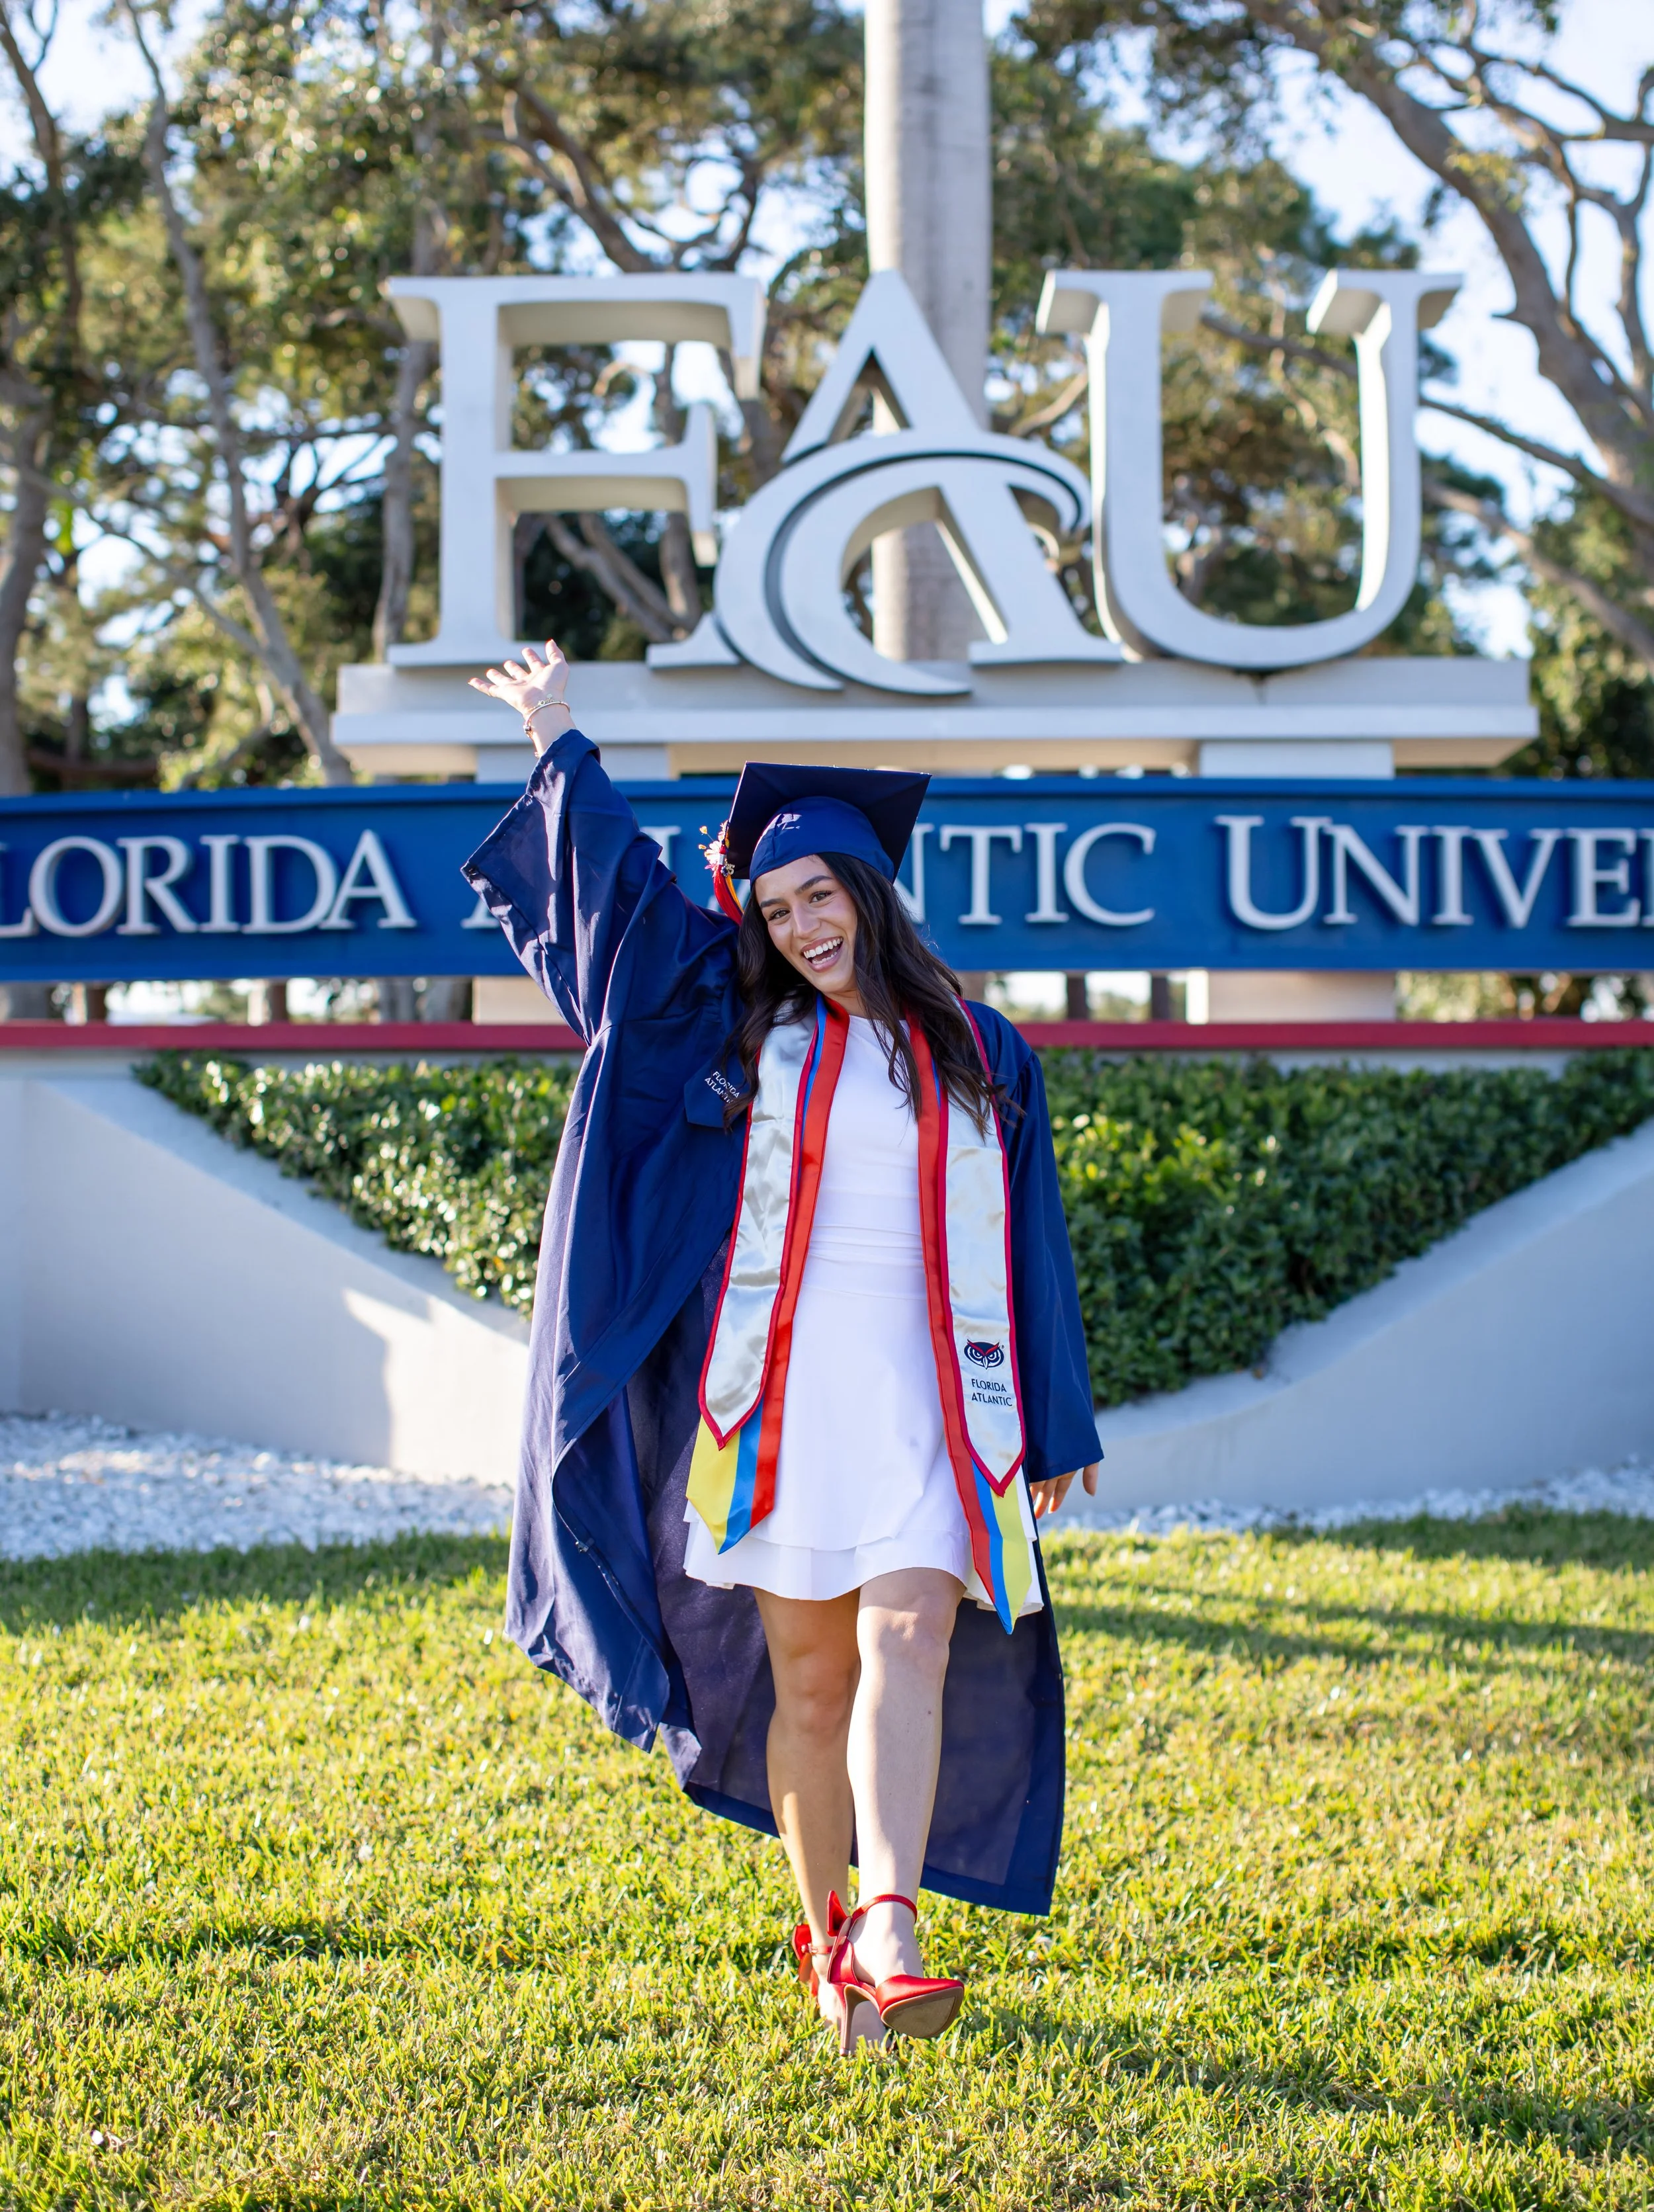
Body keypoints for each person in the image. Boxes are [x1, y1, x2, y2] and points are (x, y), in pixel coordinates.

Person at [464, 640, 1101, 2054]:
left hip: (938, 1397)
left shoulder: (986, 1052)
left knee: (912, 1632)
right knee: (810, 1681)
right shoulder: (736, 1032)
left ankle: (890, 1916)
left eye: (820, 895)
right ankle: (832, 1954)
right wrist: (556, 730)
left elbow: (1027, 1240)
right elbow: (620, 909)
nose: (803, 925)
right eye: (776, 906)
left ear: (868, 894)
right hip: (772, 1404)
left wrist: (1054, 1425)